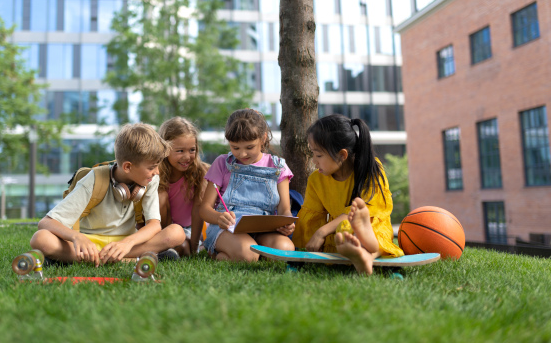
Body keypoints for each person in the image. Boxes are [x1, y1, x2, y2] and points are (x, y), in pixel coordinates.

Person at [30, 123, 186, 267]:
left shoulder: (151, 179)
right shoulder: (93, 180)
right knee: (41, 238)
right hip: (90, 243)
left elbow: (154, 225)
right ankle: (135, 259)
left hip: (127, 244)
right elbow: (46, 223)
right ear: (127, 167)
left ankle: (81, 259)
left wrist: (127, 243)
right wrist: (76, 237)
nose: (157, 172)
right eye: (152, 167)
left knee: (177, 233)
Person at [292, 115, 404, 275]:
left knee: (362, 229)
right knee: (344, 232)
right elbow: (312, 215)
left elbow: (373, 211)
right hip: (340, 232)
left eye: (318, 155)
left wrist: (321, 232)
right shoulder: (316, 180)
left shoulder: (370, 168)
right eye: (312, 154)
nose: (314, 161)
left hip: (373, 226)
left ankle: (365, 244)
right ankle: (365, 256)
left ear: (342, 155)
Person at [200, 109, 296, 261]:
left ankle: (236, 255)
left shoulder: (278, 167)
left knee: (286, 250)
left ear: (263, 138)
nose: (242, 154)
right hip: (227, 229)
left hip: (264, 229)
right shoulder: (222, 164)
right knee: (249, 254)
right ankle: (228, 253)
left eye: (249, 147)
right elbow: (204, 209)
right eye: (235, 148)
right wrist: (219, 218)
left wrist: (287, 223)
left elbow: (284, 209)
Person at [158, 117, 209, 257]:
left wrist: (194, 247)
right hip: (164, 229)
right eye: (180, 151)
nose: (187, 157)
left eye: (192, 150)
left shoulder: (200, 172)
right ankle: (167, 247)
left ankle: (179, 249)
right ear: (165, 149)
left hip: (192, 229)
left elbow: (198, 211)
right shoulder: (156, 173)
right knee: (160, 195)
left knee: (185, 246)